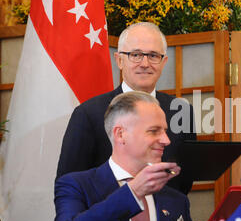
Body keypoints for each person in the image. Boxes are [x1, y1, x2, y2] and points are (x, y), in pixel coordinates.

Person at [54, 91, 193, 221]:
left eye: (165, 131)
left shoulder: (176, 199)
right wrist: (133, 192)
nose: (166, 140)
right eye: (153, 131)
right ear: (120, 134)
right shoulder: (76, 185)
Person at [57, 22, 196, 195]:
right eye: (135, 55)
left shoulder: (181, 111)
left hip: (167, 218)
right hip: (109, 218)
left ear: (164, 62)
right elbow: (69, 183)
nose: (145, 63)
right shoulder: (89, 113)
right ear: (119, 60)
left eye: (153, 55)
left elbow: (185, 179)